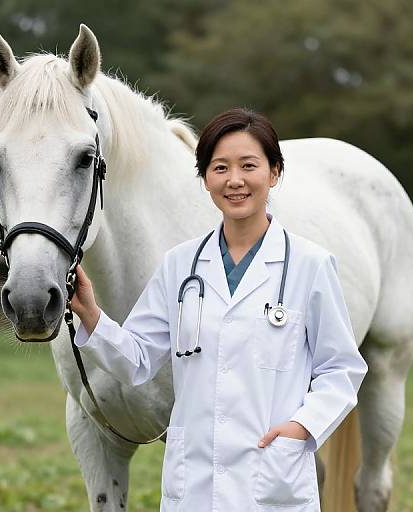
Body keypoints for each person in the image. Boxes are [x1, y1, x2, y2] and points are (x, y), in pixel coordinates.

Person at [71, 107, 368, 512]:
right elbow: (138, 360)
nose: (235, 180)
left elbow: (342, 369)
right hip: (194, 484)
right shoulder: (180, 265)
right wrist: (93, 317)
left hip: (273, 481)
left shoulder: (310, 266)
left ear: (274, 173)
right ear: (205, 178)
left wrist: (303, 427)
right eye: (220, 167)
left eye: (249, 165)